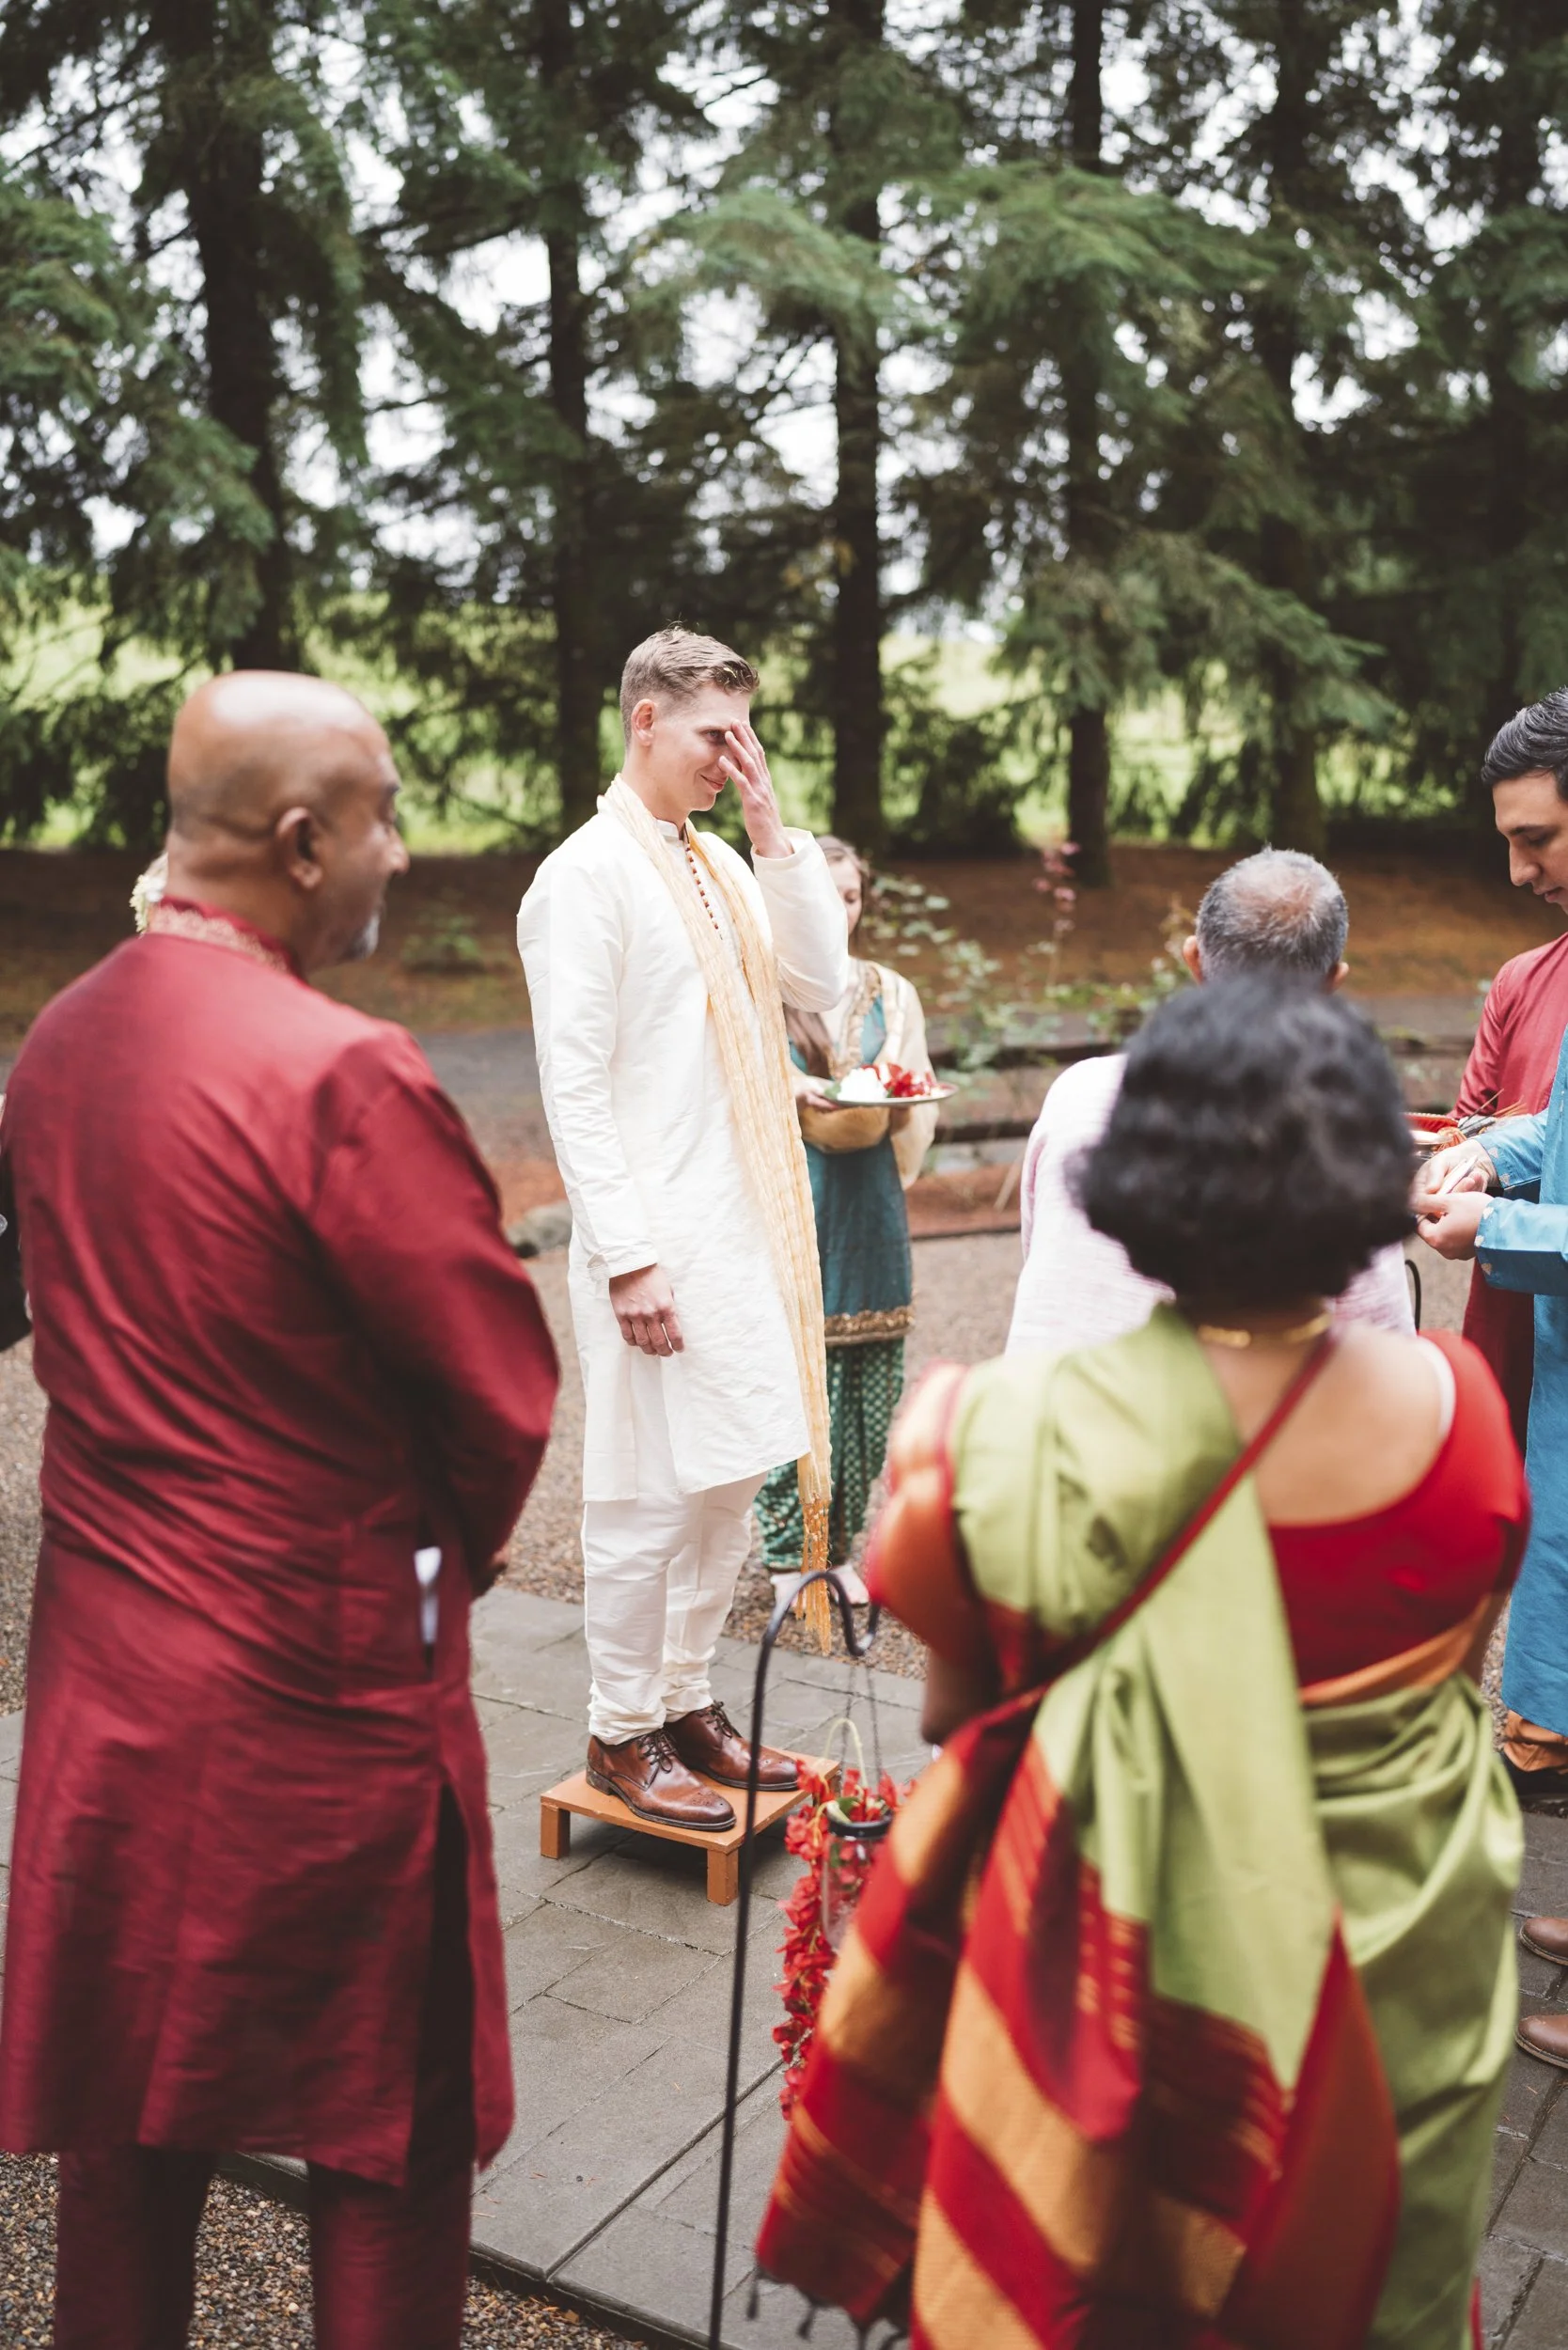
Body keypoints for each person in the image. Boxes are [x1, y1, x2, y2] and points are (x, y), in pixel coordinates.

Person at [760, 981, 1524, 2350]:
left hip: (1117, 1957)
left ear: (1139, 1183)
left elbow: (963, 1714)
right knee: (1359, 2280)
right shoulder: (1465, 1420)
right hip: (1388, 1957)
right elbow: (1450, 1666)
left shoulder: (988, 1441)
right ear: (1369, 1175)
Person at [0, 673, 560, 2349]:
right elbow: (497, 1396)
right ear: (302, 842)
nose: (402, 853)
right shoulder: (342, 1077)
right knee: (385, 2126)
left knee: (131, 2112)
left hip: (108, 1665)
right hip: (319, 1691)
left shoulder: (61, 1035)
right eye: (386, 817)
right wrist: (419, 1564)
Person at [517, 628, 849, 1830]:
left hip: (747, 1221)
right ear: (645, 721)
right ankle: (618, 1732)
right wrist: (630, 1258)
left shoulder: (719, 862)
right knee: (645, 1496)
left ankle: (687, 1699)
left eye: (745, 735)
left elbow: (821, 983)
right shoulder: (583, 877)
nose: (734, 757)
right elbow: (578, 1085)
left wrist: (770, 831)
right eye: (718, 736)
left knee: (727, 1479)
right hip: (655, 1242)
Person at [1007, 847, 1414, 1355]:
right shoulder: (1337, 1114)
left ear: (1194, 959)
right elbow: (1381, 1336)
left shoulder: (1079, 1093)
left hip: (1055, 1391)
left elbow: (1041, 1251)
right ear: (1334, 980)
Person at [755, 837, 938, 1607]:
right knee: (799, 1382)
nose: (837, 911)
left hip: (870, 1195)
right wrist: (796, 1092)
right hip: (796, 1196)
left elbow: (908, 1081)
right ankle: (788, 1550)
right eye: (821, 896)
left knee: (870, 1378)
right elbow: (741, 1080)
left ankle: (840, 1545)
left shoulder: (889, 991)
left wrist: (887, 1100)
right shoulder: (760, 987)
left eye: (851, 897)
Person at [1447, 691, 1568, 1449]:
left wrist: (1493, 1222)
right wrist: (1477, 1156)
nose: (1518, 873)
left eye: (1538, 840)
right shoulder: (1523, 979)